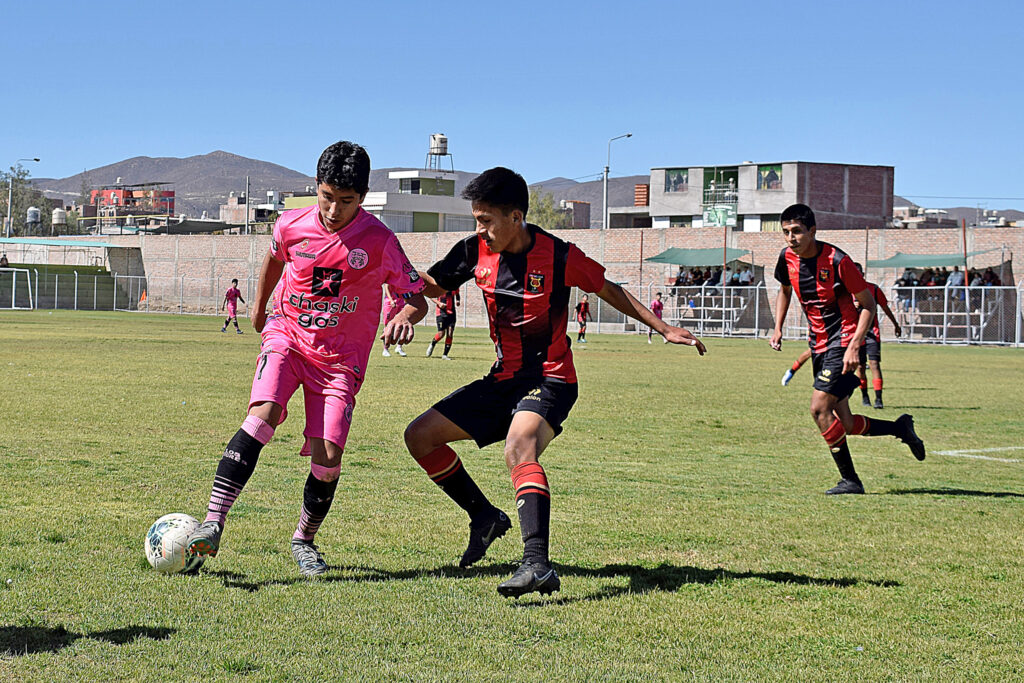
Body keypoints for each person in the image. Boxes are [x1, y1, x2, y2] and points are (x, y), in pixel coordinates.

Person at [403, 167, 706, 597]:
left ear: (516, 216)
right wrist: (401, 292)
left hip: (550, 378)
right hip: (502, 379)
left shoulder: (559, 254)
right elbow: (434, 285)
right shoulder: (474, 251)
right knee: (419, 437)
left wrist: (662, 327)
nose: (480, 229)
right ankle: (485, 518)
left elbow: (608, 289)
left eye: (486, 220)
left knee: (519, 447)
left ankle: (537, 563)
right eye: (476, 219)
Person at [186, 141, 428, 577]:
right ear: (316, 187)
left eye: (347, 201)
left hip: (340, 361)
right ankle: (212, 523)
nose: (334, 210)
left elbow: (415, 296)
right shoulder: (290, 224)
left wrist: (405, 316)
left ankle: (304, 540)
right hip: (289, 336)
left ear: (364, 196)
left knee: (329, 455)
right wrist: (260, 310)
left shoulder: (380, 241)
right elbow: (273, 260)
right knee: (263, 413)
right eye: (327, 197)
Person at [770, 203, 924, 495]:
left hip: (844, 342)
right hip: (818, 344)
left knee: (819, 409)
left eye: (797, 232)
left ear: (812, 231)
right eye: (786, 232)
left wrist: (855, 344)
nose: (791, 238)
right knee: (848, 422)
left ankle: (851, 481)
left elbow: (867, 305)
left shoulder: (838, 260)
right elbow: (785, 290)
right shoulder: (786, 258)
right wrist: (777, 327)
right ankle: (900, 428)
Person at [853, 267, 902, 409]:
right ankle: (865, 396)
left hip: (872, 333)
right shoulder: (847, 291)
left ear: (862, 274)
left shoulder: (873, 289)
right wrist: (854, 307)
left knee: (875, 365)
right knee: (861, 367)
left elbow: (885, 308)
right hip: (856, 334)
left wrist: (896, 325)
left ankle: (879, 399)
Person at [425, 287, 460, 360]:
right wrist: (439, 303)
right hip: (441, 313)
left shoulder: (454, 285)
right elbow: (431, 296)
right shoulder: (439, 285)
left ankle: (445, 355)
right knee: (441, 334)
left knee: (450, 333)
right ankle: (432, 343)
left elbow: (457, 294)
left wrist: (457, 300)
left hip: (452, 313)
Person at [381, 283, 408, 357]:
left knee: (402, 324)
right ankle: (385, 349)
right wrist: (391, 300)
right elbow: (386, 287)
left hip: (401, 302)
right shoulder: (391, 273)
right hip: (390, 303)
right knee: (387, 326)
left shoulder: (402, 275)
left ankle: (399, 347)